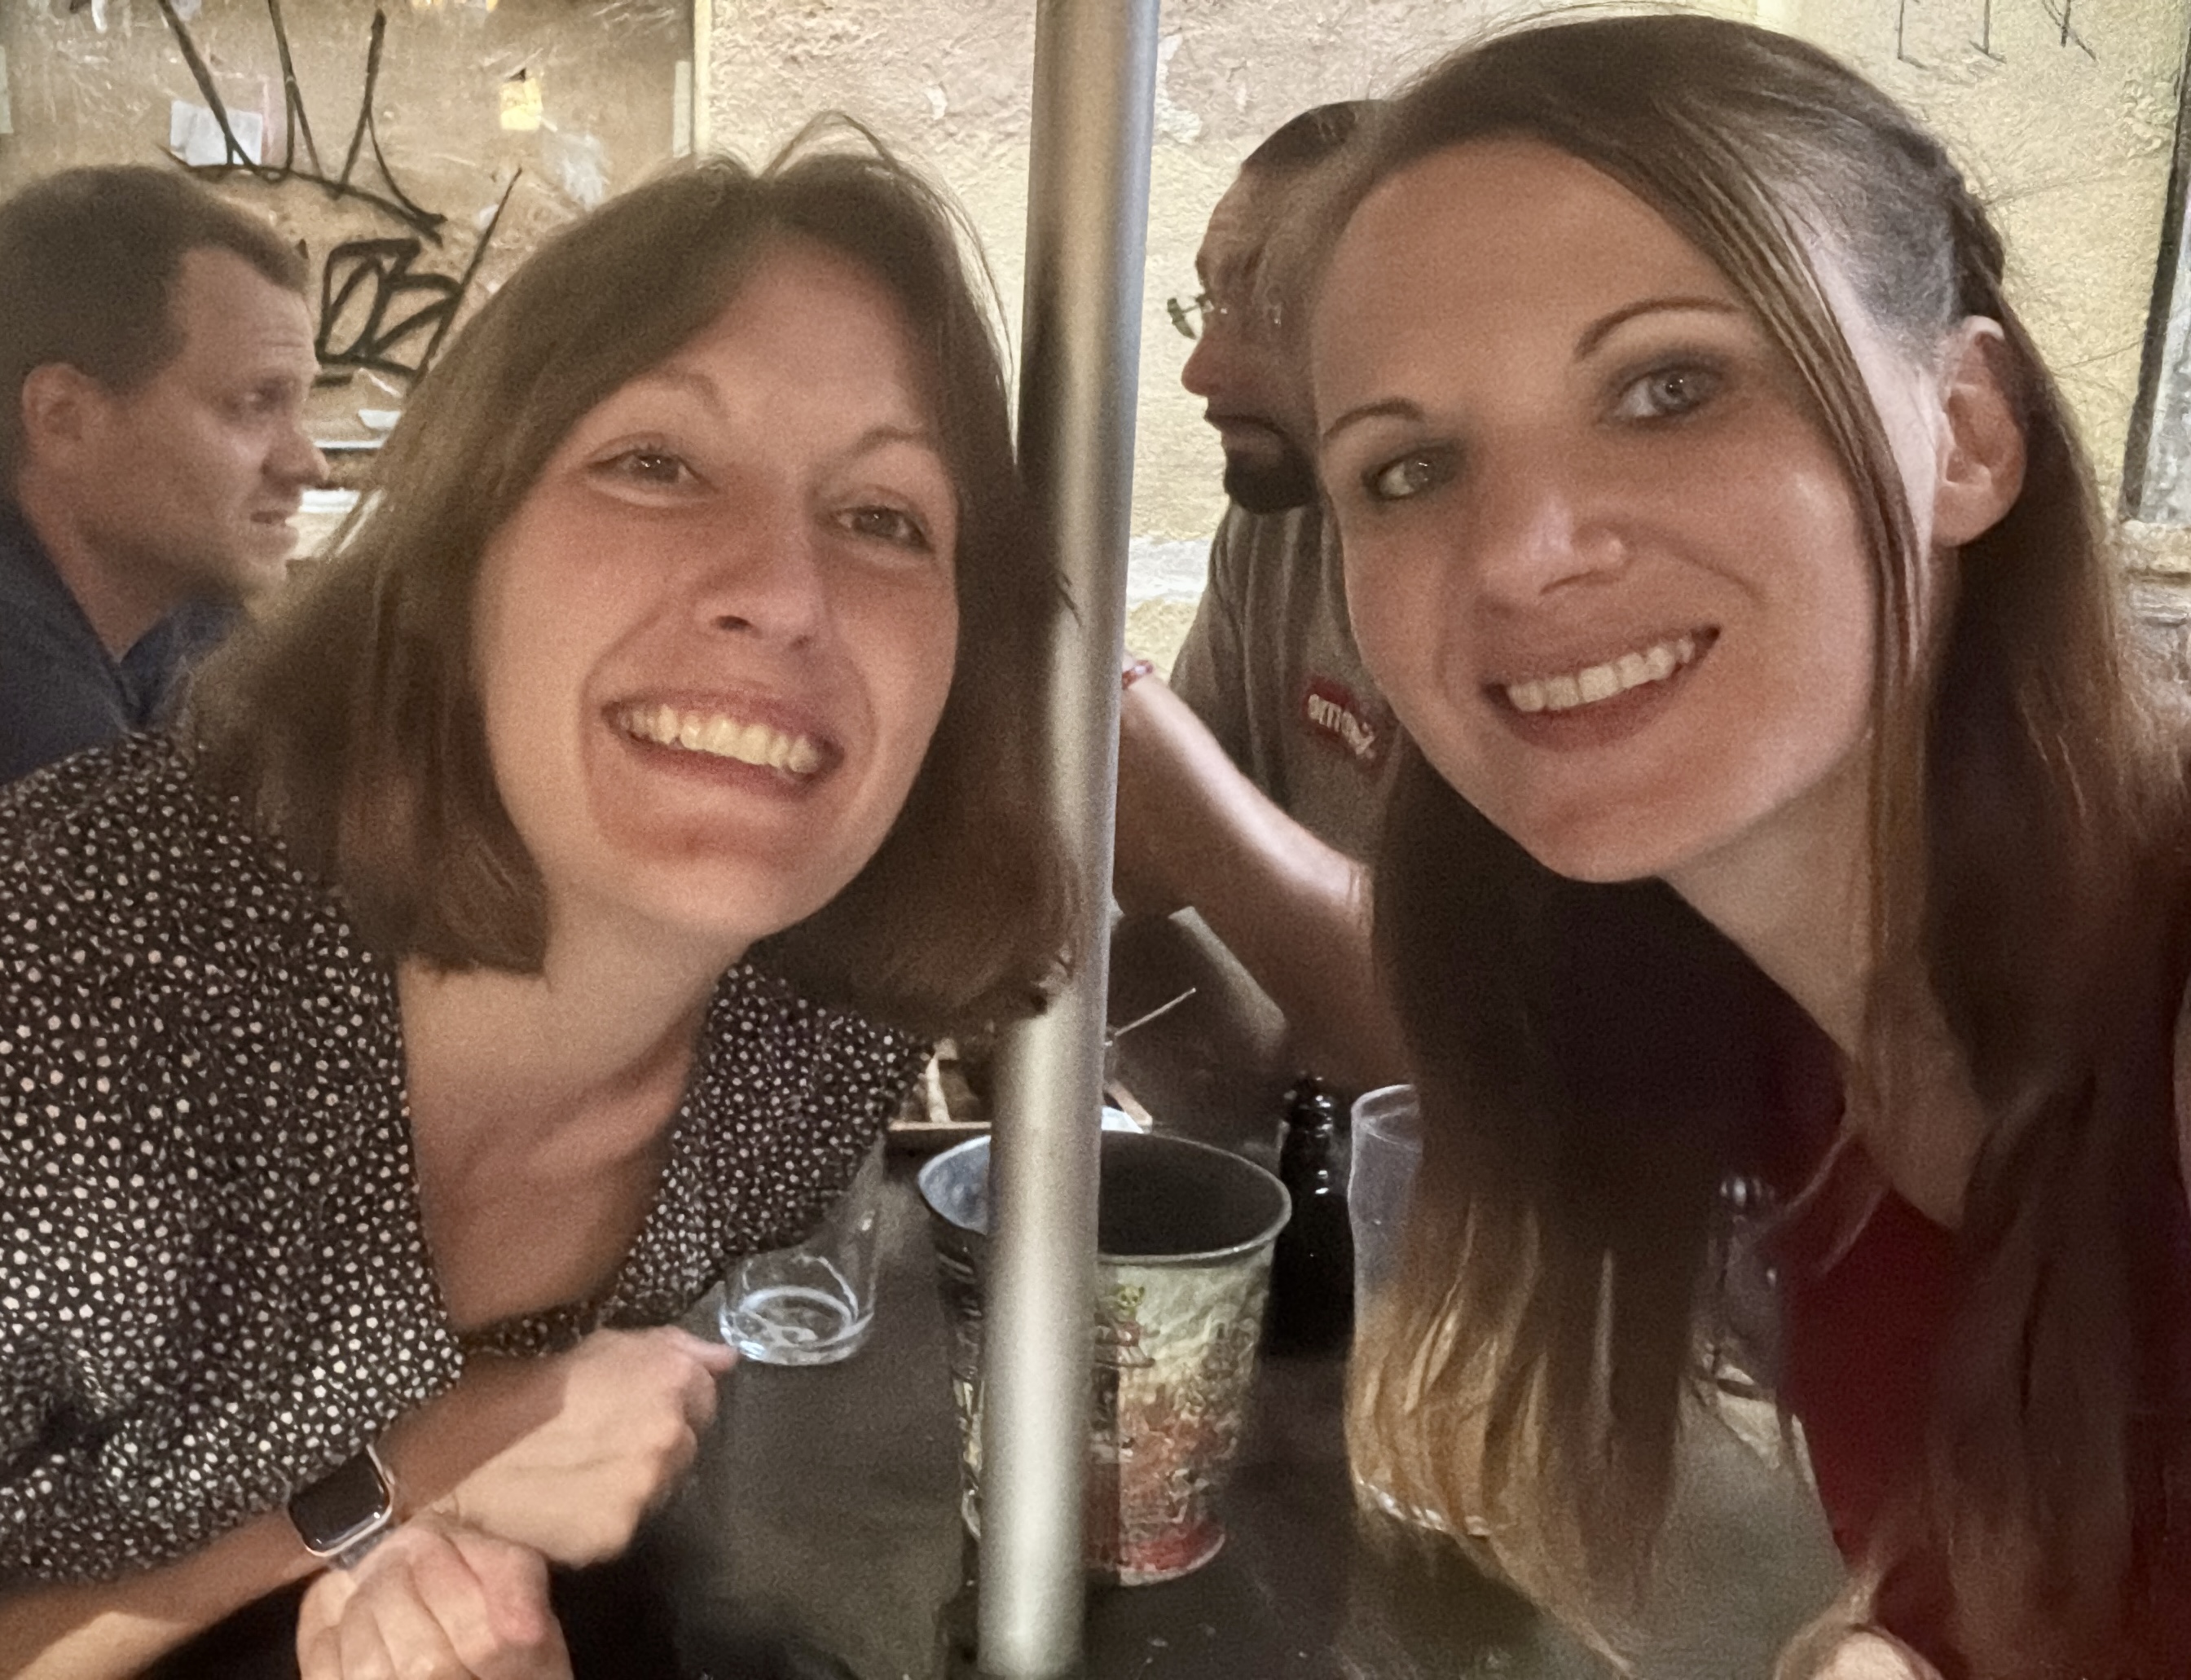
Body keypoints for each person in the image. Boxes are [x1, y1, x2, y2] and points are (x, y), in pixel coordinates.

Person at [0, 130, 1071, 1679]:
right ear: (458, 566)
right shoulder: (67, 1008)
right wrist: (401, 1481)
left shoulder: (811, 1043)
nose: (783, 591)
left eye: (885, 517)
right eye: (657, 464)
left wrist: (431, 1558)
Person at [1312, 16, 2191, 1680]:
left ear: (1966, 432)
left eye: (1669, 387)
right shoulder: (1747, 1040)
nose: (1519, 553)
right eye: (1408, 467)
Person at [1111, 102, 1405, 1095]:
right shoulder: (1274, 529)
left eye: (1262, 309)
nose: (1200, 368)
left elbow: (1445, 1053)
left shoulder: (1501, 592)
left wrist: (1130, 713)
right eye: (1208, 303)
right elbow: (1143, 875)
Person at [0, 165, 327, 785]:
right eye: (254, 402)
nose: (308, 463)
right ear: (64, 418)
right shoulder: (26, 710)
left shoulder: (179, 610)